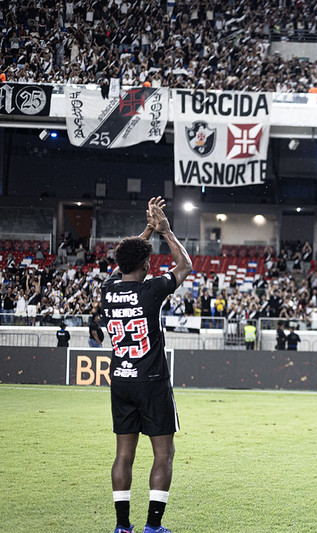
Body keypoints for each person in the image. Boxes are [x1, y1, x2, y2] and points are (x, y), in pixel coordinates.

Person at [102, 196, 192, 533]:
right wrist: (165, 231)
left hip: (121, 380)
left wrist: (146, 232)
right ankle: (153, 527)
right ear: (148, 265)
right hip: (151, 379)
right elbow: (184, 266)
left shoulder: (107, 291)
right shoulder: (151, 290)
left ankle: (122, 527)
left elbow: (124, 263)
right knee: (162, 453)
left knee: (123, 455)